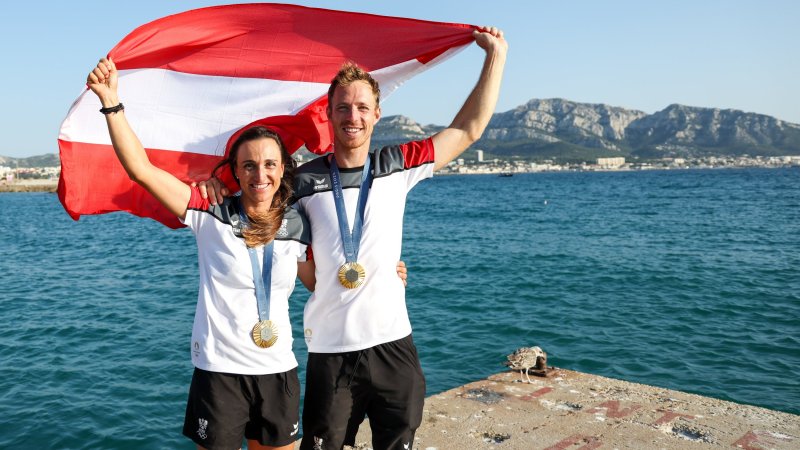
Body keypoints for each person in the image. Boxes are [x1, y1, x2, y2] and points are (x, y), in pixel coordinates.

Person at [201, 26, 507, 450]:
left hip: (393, 347)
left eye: (363, 107)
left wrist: (496, 56)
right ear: (329, 114)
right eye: (343, 107)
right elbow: (255, 188)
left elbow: (468, 129)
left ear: (377, 114)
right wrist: (213, 181)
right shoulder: (303, 181)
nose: (353, 116)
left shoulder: (397, 163)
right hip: (331, 352)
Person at [87, 58, 313, 450]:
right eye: (250, 166)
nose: (261, 175)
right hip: (219, 374)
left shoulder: (298, 224)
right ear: (236, 173)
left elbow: (318, 280)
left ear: (282, 169)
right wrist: (111, 102)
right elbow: (141, 170)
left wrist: (383, 274)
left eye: (269, 164)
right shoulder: (210, 212)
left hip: (277, 370)